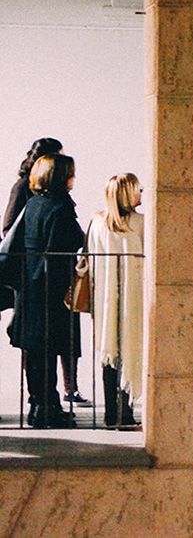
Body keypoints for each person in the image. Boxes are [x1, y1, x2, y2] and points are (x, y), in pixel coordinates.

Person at [2, 137, 90, 407]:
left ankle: (41, 402)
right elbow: (68, 241)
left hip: (32, 280)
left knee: (39, 347)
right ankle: (48, 405)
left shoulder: (37, 203)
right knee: (49, 345)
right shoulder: (57, 206)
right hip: (50, 284)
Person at [87, 173, 144, 428]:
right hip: (133, 295)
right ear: (127, 193)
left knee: (109, 351)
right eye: (137, 189)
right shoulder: (141, 223)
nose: (141, 193)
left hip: (106, 296)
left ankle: (112, 412)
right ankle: (125, 412)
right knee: (130, 347)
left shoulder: (97, 223)